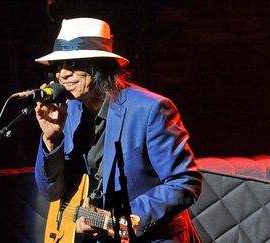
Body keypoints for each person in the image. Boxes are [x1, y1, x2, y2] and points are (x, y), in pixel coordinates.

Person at [33, 17, 202, 242]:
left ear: (100, 65)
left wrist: (119, 221)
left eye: (74, 64)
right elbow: (52, 192)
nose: (62, 74)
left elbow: (184, 182)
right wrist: (51, 139)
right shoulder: (68, 112)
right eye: (58, 66)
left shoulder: (150, 109)